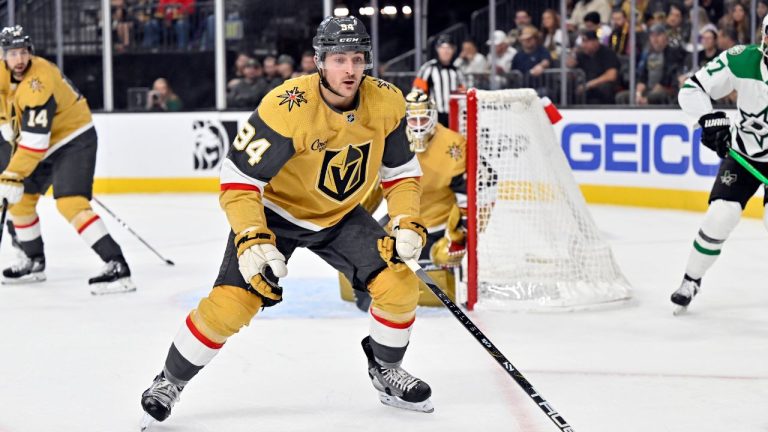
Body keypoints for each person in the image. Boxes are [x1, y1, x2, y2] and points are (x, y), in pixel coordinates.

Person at [139, 15, 433, 428]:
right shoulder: (286, 106)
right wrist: (250, 237)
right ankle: (168, 382)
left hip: (340, 214)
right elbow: (239, 179)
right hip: (274, 215)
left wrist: (405, 220)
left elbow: (400, 172)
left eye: (357, 58)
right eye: (338, 59)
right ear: (319, 61)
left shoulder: (387, 102)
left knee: (400, 287)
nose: (349, 70)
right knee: (231, 306)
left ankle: (385, 369)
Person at [0, 26, 134, 294]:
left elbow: (35, 143)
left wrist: (12, 173)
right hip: (41, 144)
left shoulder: (39, 81)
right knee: (21, 200)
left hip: (73, 139)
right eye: (13, 53)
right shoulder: (3, 75)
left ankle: (117, 266)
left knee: (71, 203)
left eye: (24, 52)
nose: (19, 59)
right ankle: (34, 261)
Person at [671, 16, 768, 313]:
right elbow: (691, 89)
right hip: (744, 155)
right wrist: (709, 119)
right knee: (720, 215)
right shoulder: (742, 59)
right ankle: (691, 279)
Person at [352, 90, 467, 312]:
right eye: (412, 119)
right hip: (402, 220)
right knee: (363, 248)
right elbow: (376, 188)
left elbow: (464, 196)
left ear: (433, 116)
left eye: (423, 118)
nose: (418, 125)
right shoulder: (392, 139)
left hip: (439, 224)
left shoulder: (453, 144)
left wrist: (459, 235)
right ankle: (372, 295)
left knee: (444, 256)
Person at [412, 34, 465, 126]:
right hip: (434, 115)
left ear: (453, 50)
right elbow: (417, 92)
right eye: (442, 48)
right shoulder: (428, 68)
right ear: (437, 49)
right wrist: (421, 113)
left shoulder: (457, 71)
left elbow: (462, 93)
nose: (446, 51)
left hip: (454, 115)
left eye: (449, 48)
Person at [566, 30, 619, 104]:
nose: (583, 45)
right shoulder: (581, 55)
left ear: (595, 42)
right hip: (585, 87)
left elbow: (611, 75)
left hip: (600, 85)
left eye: (586, 42)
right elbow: (571, 68)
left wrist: (588, 85)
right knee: (567, 86)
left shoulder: (607, 53)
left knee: (605, 88)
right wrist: (572, 57)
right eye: (582, 42)